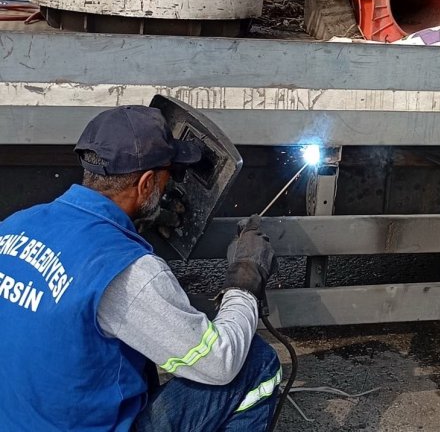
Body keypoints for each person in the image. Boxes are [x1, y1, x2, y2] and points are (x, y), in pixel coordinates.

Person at [0, 105, 280, 431]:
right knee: (255, 361)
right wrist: (245, 280)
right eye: (168, 176)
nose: (170, 184)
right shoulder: (129, 271)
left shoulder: (14, 226)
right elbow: (219, 362)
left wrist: (134, 222)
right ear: (147, 184)